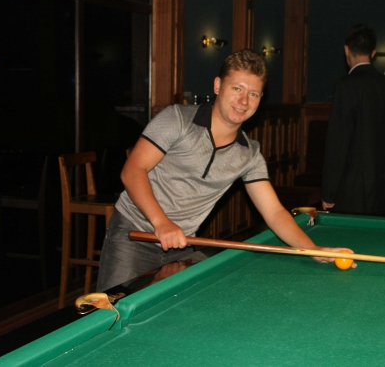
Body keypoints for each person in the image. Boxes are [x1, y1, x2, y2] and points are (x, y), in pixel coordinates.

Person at [97, 49, 355, 291]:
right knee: (110, 313)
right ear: (218, 86)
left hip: (183, 244)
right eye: (237, 88)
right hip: (134, 235)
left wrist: (313, 250)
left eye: (253, 94)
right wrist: (162, 223)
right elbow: (132, 171)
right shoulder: (177, 119)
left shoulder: (249, 154)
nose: (243, 101)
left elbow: (275, 212)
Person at [321, 24, 385, 215]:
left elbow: (338, 143)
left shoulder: (345, 86)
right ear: (373, 53)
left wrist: (328, 191)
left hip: (352, 194)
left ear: (346, 49)